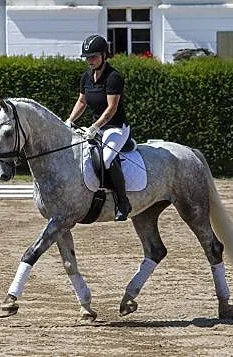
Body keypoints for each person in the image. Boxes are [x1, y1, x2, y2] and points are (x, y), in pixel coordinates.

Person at [65, 34, 132, 221]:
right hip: (97, 128)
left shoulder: (113, 77)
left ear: (104, 55)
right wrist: (69, 120)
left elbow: (112, 108)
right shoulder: (86, 77)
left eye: (93, 57)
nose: (89, 61)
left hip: (115, 128)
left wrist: (94, 127)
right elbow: (82, 101)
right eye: (87, 57)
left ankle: (123, 202)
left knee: (107, 159)